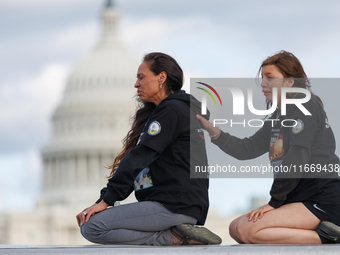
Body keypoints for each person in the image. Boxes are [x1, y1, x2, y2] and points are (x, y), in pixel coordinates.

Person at [76, 52, 222, 246]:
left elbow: (139, 157)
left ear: (161, 77)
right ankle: (178, 233)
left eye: (141, 77)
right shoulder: (176, 110)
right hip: (180, 204)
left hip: (173, 205)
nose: (136, 84)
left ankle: (170, 237)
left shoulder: (172, 111)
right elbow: (141, 161)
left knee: (92, 226)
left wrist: (106, 200)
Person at [197, 51, 340, 244]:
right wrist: (213, 131)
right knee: (234, 228)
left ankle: (328, 236)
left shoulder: (305, 106)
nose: (263, 83)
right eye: (262, 78)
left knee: (247, 231)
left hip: (322, 199)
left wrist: (274, 202)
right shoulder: (278, 116)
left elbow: (297, 157)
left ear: (289, 82)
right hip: (298, 199)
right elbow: (246, 149)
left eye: (270, 78)